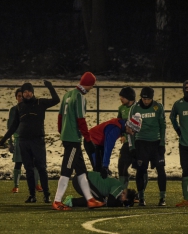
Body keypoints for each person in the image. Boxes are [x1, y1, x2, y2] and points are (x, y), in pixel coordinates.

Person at [0, 80, 60, 203]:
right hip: (23, 141)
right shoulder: (19, 107)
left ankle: (46, 194)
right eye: (24, 92)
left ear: (33, 93)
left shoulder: (40, 102)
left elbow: (56, 100)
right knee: (29, 169)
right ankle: (32, 195)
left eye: (29, 92)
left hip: (37, 140)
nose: (27, 94)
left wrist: (50, 87)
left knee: (42, 168)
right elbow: (14, 125)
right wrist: (4, 139)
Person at [52, 71, 105, 211]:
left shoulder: (67, 95)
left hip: (68, 137)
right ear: (88, 84)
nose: (91, 88)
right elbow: (81, 120)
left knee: (81, 171)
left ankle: (90, 199)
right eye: (91, 86)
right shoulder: (79, 97)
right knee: (66, 170)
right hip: (73, 139)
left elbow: (59, 118)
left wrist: (62, 131)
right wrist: (87, 139)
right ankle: (57, 201)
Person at [128, 87, 167, 206]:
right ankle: (141, 197)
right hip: (141, 143)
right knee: (140, 170)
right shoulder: (135, 108)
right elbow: (130, 129)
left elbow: (163, 126)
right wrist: (132, 146)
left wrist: (162, 143)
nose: (146, 101)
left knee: (161, 169)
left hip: (155, 143)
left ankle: (162, 198)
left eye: (148, 99)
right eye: (144, 99)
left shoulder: (158, 107)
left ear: (152, 98)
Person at [85, 114, 142, 179]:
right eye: (133, 131)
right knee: (98, 169)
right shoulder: (115, 129)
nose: (132, 133)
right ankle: (91, 186)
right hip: (91, 141)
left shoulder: (124, 124)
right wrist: (105, 166)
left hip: (99, 143)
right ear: (129, 126)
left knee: (102, 170)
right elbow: (108, 147)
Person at [7, 88, 42, 193]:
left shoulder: (32, 108)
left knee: (34, 163)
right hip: (19, 140)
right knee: (18, 163)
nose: (21, 98)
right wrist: (10, 142)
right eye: (18, 96)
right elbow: (10, 126)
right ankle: (16, 185)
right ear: (16, 98)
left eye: (22, 96)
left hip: (31, 139)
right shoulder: (14, 110)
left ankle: (37, 184)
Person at [63, 171, 137, 208]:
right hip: (81, 180)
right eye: (124, 201)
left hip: (81, 178)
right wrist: (119, 204)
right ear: (125, 196)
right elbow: (110, 203)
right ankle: (71, 202)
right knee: (98, 200)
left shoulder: (120, 187)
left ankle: (72, 201)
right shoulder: (120, 188)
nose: (122, 200)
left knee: (100, 200)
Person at [170, 80, 188, 207]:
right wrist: (178, 130)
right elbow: (172, 117)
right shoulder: (178, 104)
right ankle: (186, 199)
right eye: (186, 87)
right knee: (186, 171)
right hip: (184, 144)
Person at [117, 87, 136, 188]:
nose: (121, 98)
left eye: (123, 97)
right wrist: (122, 135)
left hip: (138, 143)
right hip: (126, 143)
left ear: (130, 97)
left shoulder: (138, 108)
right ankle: (123, 191)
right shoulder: (121, 108)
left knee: (141, 168)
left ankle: (141, 195)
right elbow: (119, 123)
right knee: (121, 166)